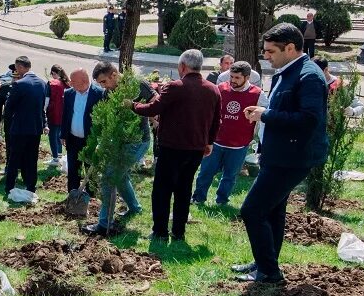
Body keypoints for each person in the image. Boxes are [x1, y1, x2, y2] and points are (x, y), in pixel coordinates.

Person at [234, 23, 329, 283]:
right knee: (273, 210)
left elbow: (309, 119)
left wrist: (267, 115)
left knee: (252, 210)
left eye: (270, 51)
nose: (266, 56)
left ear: (290, 48)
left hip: (291, 157)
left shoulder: (308, 76)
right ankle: (265, 264)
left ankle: (268, 272)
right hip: (278, 154)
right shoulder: (287, 70)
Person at [131, 49, 220, 243]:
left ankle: (160, 231)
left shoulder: (176, 86)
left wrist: (132, 105)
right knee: (184, 189)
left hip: (172, 147)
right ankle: (178, 232)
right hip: (196, 148)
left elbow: (153, 109)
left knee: (162, 189)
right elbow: (216, 120)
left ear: (182, 66)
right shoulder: (213, 89)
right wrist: (209, 142)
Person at [82, 61, 148, 237]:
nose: (103, 86)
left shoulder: (137, 86)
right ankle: (134, 208)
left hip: (137, 141)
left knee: (109, 178)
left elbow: (156, 101)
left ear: (114, 75)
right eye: (100, 83)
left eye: (104, 81)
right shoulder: (107, 94)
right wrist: (101, 143)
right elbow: (106, 122)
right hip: (117, 142)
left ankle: (105, 224)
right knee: (120, 176)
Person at [193, 60, 262, 208]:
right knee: (205, 172)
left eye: (237, 78)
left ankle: (222, 200)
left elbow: (266, 114)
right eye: (231, 77)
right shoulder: (221, 89)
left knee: (229, 176)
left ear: (247, 78)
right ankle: (198, 198)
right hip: (216, 142)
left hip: (239, 145)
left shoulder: (257, 94)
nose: (233, 81)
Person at [1, 55, 47, 195]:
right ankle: (31, 187)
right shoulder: (42, 83)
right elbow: (41, 107)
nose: (16, 71)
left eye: (17, 68)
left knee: (14, 158)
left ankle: (10, 187)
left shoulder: (19, 84)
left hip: (20, 127)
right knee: (32, 159)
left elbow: (9, 107)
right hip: (35, 128)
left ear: (21, 67)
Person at [63, 67, 104, 196]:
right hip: (73, 138)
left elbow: (103, 119)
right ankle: (73, 194)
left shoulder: (99, 94)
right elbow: (66, 115)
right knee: (73, 169)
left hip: (91, 139)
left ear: (84, 81)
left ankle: (91, 196)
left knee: (90, 168)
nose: (70, 83)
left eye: (73, 81)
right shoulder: (69, 93)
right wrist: (63, 134)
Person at [46, 64, 68, 169]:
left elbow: (47, 100)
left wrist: (44, 111)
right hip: (64, 114)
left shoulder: (52, 84)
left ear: (54, 73)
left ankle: (55, 158)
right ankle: (59, 155)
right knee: (59, 135)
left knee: (52, 135)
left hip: (53, 113)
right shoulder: (67, 84)